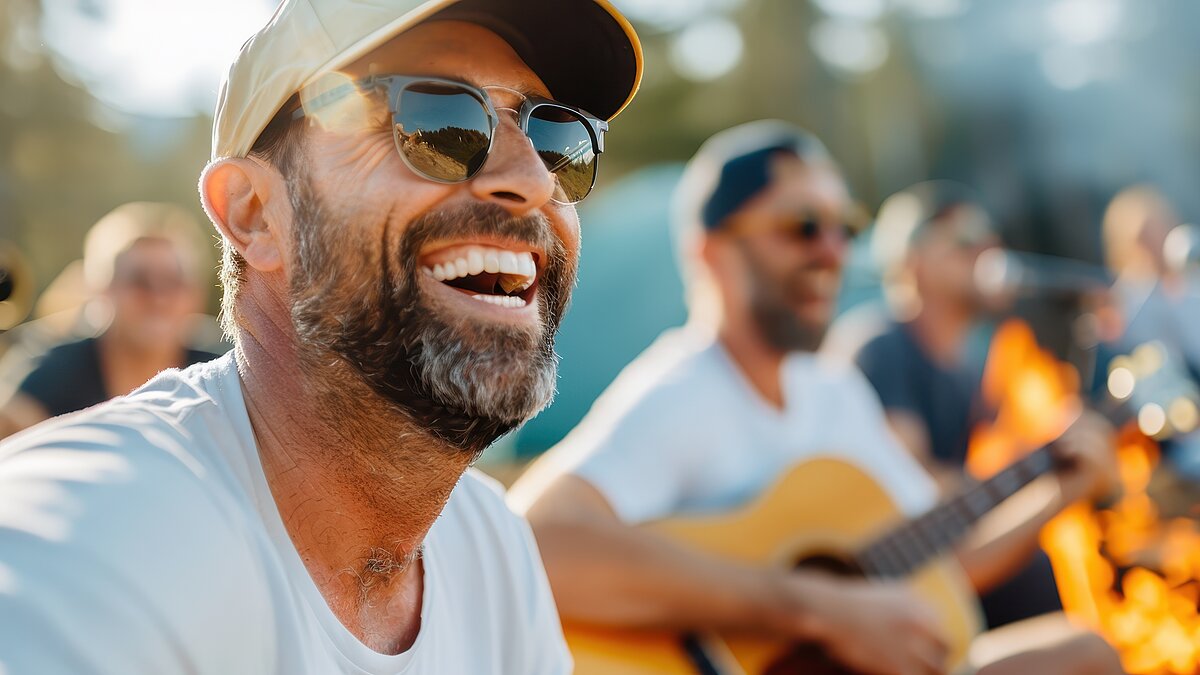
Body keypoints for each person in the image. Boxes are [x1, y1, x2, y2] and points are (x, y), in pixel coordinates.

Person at [0, 1, 641, 673]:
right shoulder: (94, 542)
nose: (534, 180)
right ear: (254, 215)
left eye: (555, 138)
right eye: (438, 120)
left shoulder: (494, 550)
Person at [510, 121, 1123, 675]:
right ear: (713, 253)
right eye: (801, 228)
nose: (832, 251)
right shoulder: (683, 392)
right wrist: (816, 610)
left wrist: (1059, 489)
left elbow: (944, 563)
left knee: (1087, 654)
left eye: (843, 228)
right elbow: (538, 541)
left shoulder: (833, 391)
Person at [845, 182, 1065, 628]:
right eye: (966, 240)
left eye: (991, 237)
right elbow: (918, 489)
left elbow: (982, 472)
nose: (989, 249)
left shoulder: (969, 369)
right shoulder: (881, 348)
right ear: (914, 262)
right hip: (890, 592)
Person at [0, 202, 218, 438]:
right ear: (102, 289)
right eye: (139, 281)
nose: (159, 298)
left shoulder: (220, 377)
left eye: (173, 281)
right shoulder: (53, 374)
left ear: (196, 294)